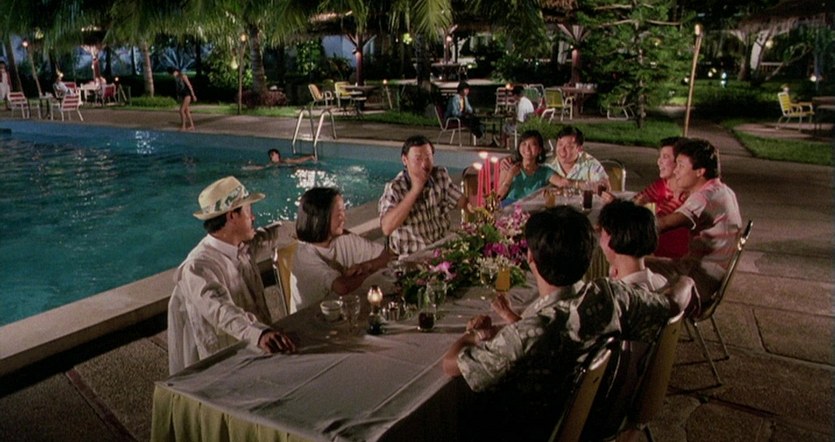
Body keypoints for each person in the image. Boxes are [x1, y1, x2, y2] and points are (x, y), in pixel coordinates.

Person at [442, 206, 688, 441]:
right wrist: (687, 281)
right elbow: (673, 304)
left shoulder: (525, 336)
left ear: (530, 257)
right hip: (587, 424)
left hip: (528, 431)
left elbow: (451, 365)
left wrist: (473, 335)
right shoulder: (611, 296)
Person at [167, 176, 297, 374]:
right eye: (248, 211)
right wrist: (259, 333)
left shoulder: (241, 245)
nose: (253, 217)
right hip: (227, 363)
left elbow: (272, 234)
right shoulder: (198, 267)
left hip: (261, 350)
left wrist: (311, 225)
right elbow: (221, 311)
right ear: (231, 216)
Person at [648, 138, 742, 308]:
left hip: (697, 281)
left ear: (700, 171)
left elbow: (662, 224)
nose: (675, 171)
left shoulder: (704, 198)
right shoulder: (724, 191)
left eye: (681, 166)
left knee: (630, 267)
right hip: (709, 275)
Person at [291, 187, 393, 312]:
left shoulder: (342, 238)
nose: (344, 218)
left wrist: (366, 266)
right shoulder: (304, 255)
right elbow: (342, 287)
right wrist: (371, 273)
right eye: (339, 214)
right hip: (311, 317)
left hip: (344, 309)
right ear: (322, 218)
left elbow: (388, 256)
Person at [379, 135, 468, 256]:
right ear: (405, 160)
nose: (424, 164)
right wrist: (415, 191)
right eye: (418, 159)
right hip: (411, 257)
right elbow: (386, 228)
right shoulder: (395, 188)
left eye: (428, 157)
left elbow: (464, 202)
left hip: (441, 252)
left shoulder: (439, 176)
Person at [633, 137, 690, 258]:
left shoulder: (684, 195)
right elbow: (635, 200)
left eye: (665, 157)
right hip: (652, 246)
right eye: (660, 156)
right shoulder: (663, 184)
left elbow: (659, 223)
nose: (659, 162)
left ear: (680, 163)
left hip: (668, 254)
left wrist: (640, 209)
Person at [495, 130, 559, 204]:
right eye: (524, 144)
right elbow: (498, 196)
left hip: (533, 209)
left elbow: (562, 182)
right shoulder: (508, 166)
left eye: (532, 144)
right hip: (510, 208)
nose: (527, 148)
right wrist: (510, 176)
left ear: (539, 149)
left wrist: (550, 188)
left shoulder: (544, 171)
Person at [546, 125, 610, 190]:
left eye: (568, 146)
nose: (562, 150)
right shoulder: (547, 164)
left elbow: (606, 187)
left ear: (579, 149)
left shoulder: (590, 163)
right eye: (560, 144)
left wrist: (573, 184)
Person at [242, 149, 316, 170]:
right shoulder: (272, 163)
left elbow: (298, 161)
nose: (271, 157)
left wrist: (310, 157)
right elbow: (263, 167)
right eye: (270, 155)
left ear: (277, 155)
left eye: (272, 155)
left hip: (293, 167)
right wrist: (251, 167)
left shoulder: (285, 160)